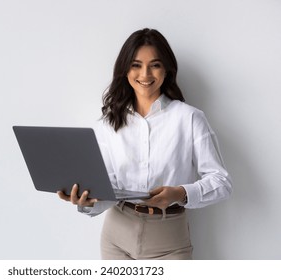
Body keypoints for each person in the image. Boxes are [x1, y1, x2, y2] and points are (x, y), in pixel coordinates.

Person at [58, 28, 232, 260]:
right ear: (125, 70)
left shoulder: (189, 118)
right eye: (136, 65)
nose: (145, 74)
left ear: (167, 69)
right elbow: (109, 189)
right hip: (116, 236)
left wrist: (180, 193)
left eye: (155, 65)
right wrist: (87, 201)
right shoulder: (109, 122)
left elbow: (221, 183)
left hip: (169, 238)